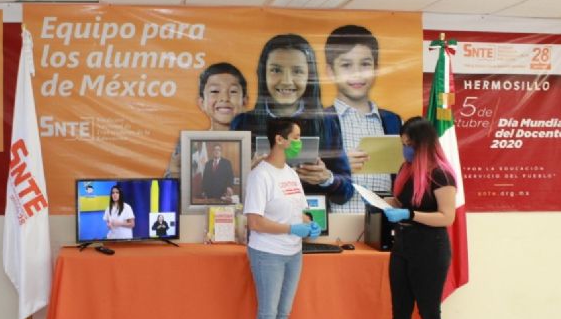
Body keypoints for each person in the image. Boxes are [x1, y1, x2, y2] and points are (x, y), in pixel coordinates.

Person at [365, 117, 457, 319]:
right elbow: (403, 201)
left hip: (430, 249)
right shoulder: (407, 168)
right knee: (400, 311)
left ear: (424, 144)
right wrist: (383, 202)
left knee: (429, 312)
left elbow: (446, 217)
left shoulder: (441, 174)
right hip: (403, 246)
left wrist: (410, 214)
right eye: (403, 144)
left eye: (409, 145)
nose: (406, 150)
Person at [244, 117, 321, 319]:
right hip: (268, 254)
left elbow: (301, 210)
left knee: (283, 314)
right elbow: (255, 222)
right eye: (296, 137)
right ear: (280, 139)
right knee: (268, 314)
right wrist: (291, 228)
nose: (300, 142)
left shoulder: (290, 173)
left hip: (293, 253)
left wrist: (308, 223)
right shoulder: (260, 175)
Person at [231, 34, 352, 204]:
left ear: (309, 76)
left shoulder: (326, 123)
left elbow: (347, 191)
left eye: (297, 71)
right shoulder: (242, 123)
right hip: (260, 222)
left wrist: (327, 178)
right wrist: (247, 176)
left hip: (311, 223)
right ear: (263, 74)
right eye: (276, 70)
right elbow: (228, 192)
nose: (287, 81)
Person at [324, 24, 402, 213]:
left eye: (365, 64)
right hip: (336, 224)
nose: (357, 73)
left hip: (381, 224)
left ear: (376, 69)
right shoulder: (319, 121)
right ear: (330, 71)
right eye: (346, 65)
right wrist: (340, 165)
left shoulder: (392, 121)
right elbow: (305, 175)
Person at [165, 62, 248, 178]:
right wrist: (175, 172)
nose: (224, 98)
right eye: (214, 91)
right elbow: (170, 188)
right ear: (201, 103)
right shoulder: (188, 144)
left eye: (233, 91)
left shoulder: (258, 142)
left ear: (244, 101)